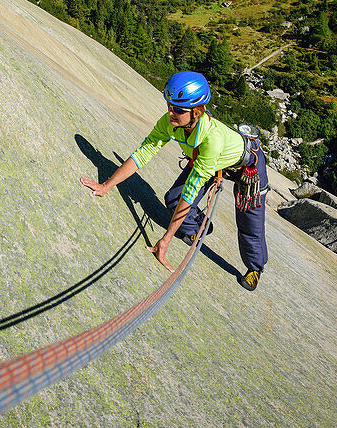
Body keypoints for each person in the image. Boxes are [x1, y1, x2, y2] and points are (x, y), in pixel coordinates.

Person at [80, 71, 268, 291]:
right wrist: (106, 186)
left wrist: (165, 240)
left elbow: (192, 189)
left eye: (178, 109)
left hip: (248, 167)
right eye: (169, 105)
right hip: (204, 159)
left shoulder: (212, 139)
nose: (171, 113)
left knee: (249, 223)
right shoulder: (171, 122)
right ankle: (200, 226)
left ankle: (255, 267)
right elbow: (144, 152)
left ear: (197, 112)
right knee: (173, 199)